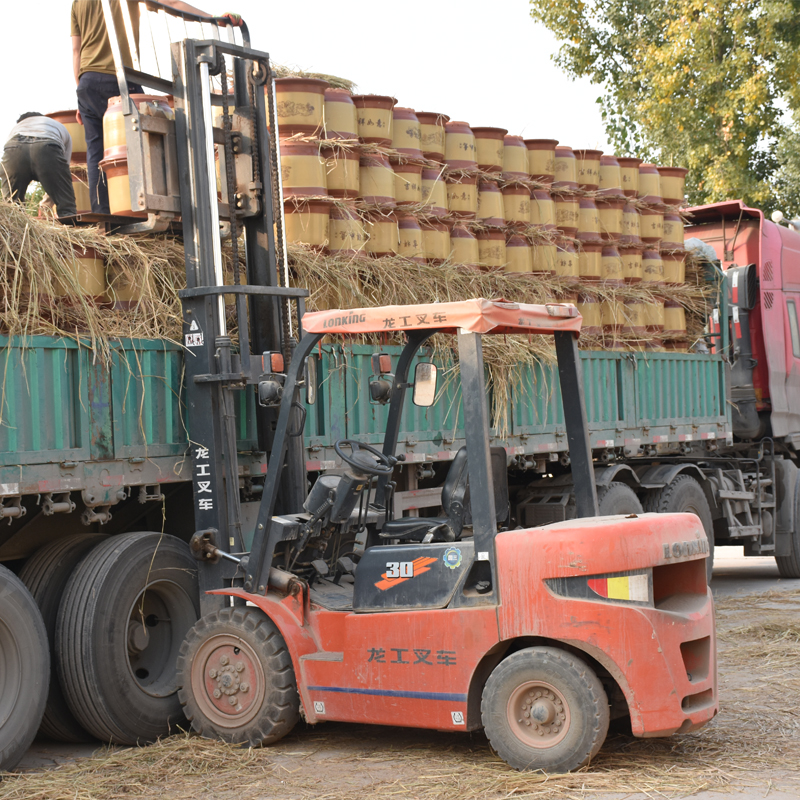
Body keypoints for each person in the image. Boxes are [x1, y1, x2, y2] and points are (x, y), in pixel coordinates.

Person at [71, 1, 242, 213]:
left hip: (86, 82)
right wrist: (214, 19)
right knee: (145, 142)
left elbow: (76, 51)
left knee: (97, 153)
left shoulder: (77, 2)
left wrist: (80, 93)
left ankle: (104, 214)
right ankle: (144, 209)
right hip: (118, 78)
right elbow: (172, 3)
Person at [1, 112, 77, 219]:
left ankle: (13, 233)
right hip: (47, 147)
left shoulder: (17, 128)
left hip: (14, 149)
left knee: (11, 208)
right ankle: (70, 228)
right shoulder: (57, 126)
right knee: (66, 207)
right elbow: (62, 176)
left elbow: (7, 155)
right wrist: (46, 204)